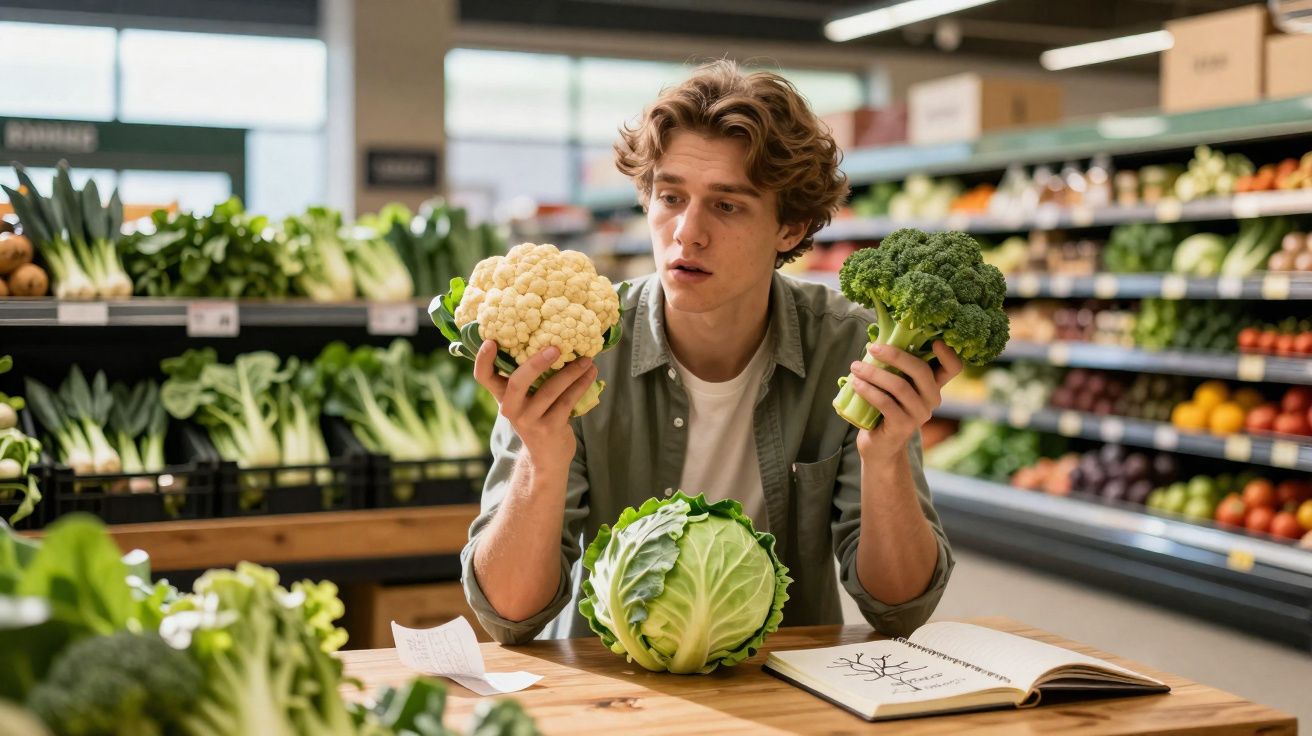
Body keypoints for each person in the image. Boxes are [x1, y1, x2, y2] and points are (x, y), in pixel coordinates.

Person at [462, 59, 961, 643]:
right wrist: (540, 464)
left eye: (727, 206)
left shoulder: (852, 351)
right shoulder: (576, 350)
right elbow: (507, 616)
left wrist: (885, 457)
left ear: (791, 229)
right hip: (615, 692)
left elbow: (899, 610)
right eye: (671, 197)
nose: (687, 233)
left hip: (788, 689)